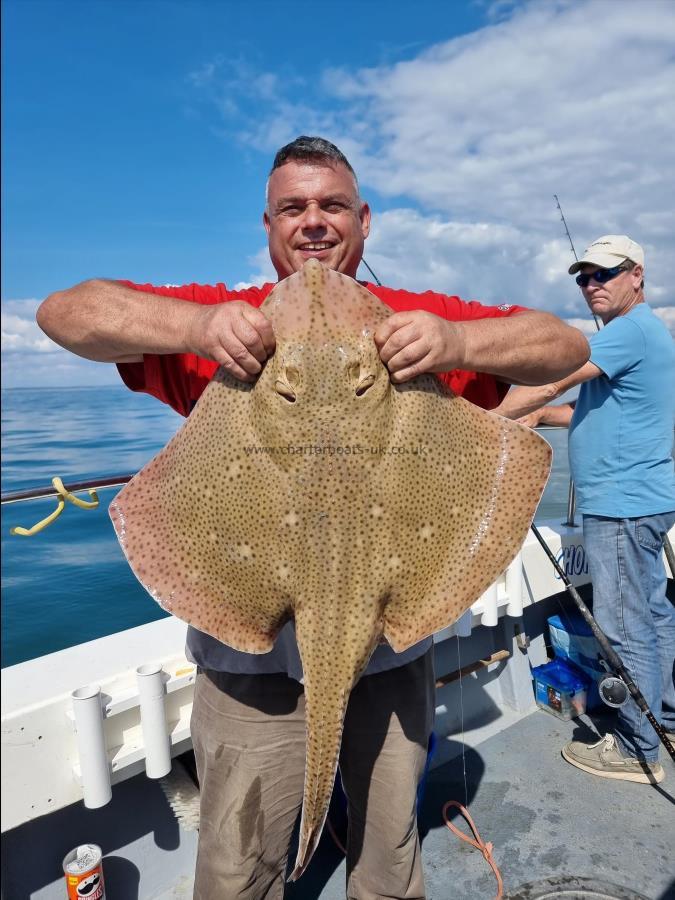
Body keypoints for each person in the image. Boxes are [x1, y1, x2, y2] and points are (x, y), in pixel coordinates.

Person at [37, 136, 589, 899]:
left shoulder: (417, 330)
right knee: (239, 869)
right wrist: (196, 330)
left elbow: (562, 344)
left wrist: (457, 340)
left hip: (391, 652)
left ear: (363, 222)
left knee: (388, 854)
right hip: (250, 668)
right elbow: (64, 312)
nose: (313, 223)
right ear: (267, 227)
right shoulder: (224, 329)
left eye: (331, 206)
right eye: (292, 208)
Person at [495, 234, 675, 785]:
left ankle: (637, 747)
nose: (591, 285)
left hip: (621, 505)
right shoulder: (645, 335)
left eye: (605, 274)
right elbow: (586, 407)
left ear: (637, 275)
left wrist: (487, 419)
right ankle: (664, 717)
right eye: (583, 277)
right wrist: (540, 418)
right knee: (654, 612)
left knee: (624, 626)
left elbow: (555, 375)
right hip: (645, 499)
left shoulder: (626, 331)